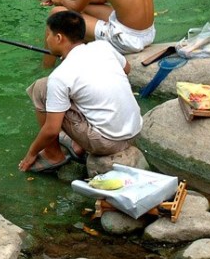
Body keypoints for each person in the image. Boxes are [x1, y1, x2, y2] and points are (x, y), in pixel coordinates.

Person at [19, 10, 143, 173]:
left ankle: (52, 154)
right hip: (134, 131)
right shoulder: (103, 46)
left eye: (48, 35)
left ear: (59, 38)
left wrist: (31, 154)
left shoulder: (61, 75)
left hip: (108, 142)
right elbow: (126, 68)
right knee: (76, 92)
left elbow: (52, 130)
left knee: (40, 88)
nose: (47, 40)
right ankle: (77, 144)